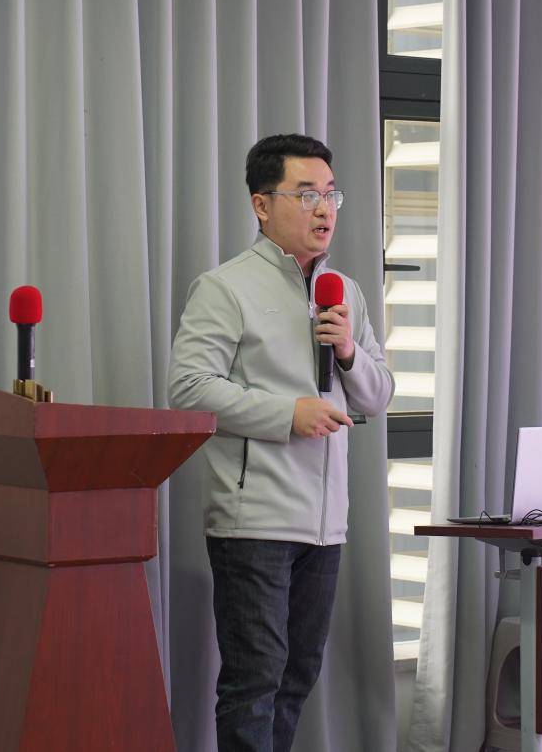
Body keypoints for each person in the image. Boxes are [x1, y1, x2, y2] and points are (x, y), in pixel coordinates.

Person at [168, 133, 395, 752]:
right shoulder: (225, 287)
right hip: (255, 520)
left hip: (326, 523)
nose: (324, 209)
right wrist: (286, 414)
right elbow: (188, 389)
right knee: (255, 682)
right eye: (306, 194)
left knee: (296, 679)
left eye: (331, 195)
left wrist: (347, 351)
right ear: (262, 205)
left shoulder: (345, 292)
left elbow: (377, 396)